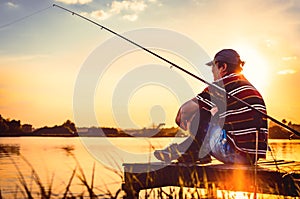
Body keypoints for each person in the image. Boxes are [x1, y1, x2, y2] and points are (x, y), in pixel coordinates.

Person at [154, 49, 268, 165]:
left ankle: (191, 152)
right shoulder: (249, 87)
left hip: (234, 153)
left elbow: (184, 112)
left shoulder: (222, 85)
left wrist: (182, 120)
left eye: (213, 67)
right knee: (213, 113)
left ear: (223, 67)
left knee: (200, 113)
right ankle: (190, 151)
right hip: (252, 157)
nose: (212, 72)